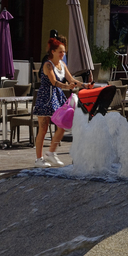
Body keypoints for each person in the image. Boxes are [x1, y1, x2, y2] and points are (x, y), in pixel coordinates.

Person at [33, 36, 85, 168]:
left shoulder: (62, 65)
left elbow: (71, 79)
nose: (63, 54)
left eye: (64, 51)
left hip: (57, 96)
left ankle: (51, 153)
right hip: (46, 97)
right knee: (43, 128)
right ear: (53, 52)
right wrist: (67, 87)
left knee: (62, 124)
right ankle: (39, 159)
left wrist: (85, 85)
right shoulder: (47, 65)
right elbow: (53, 82)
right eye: (61, 51)